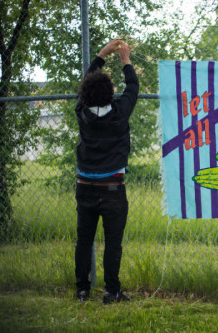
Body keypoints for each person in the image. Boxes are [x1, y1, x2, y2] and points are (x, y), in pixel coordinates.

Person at [74, 40, 139, 304]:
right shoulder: (120, 112)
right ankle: (112, 292)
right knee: (113, 242)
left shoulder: (81, 112)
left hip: (84, 187)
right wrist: (125, 60)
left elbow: (87, 82)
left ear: (85, 94)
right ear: (111, 92)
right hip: (113, 190)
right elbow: (133, 88)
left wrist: (101, 55)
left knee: (84, 240)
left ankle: (82, 290)